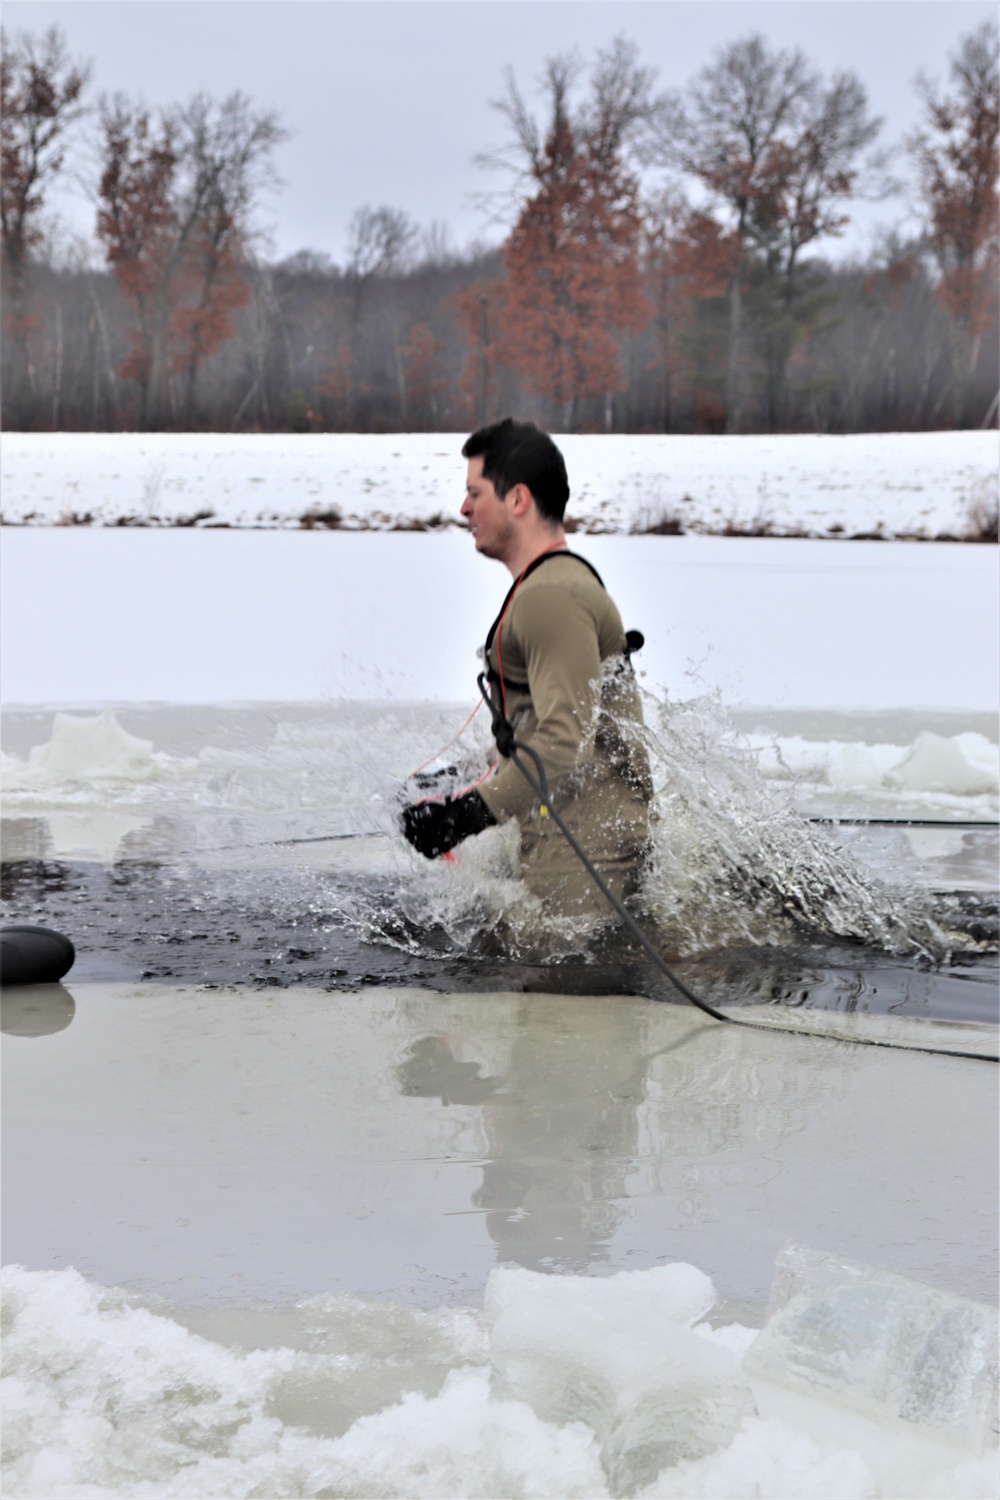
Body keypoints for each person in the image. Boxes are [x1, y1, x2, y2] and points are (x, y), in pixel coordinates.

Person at [401, 417, 651, 922]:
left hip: (581, 866)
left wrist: (463, 815)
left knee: (558, 1002)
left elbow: (563, 740)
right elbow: (539, 728)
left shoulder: (551, 597)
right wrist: (456, 781)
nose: (464, 508)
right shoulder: (550, 585)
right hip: (571, 847)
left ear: (517, 500)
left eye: (475, 493)